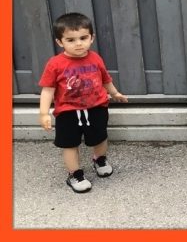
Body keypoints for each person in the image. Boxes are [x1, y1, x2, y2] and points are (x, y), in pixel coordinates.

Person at [39, 12, 128, 193]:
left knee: (100, 137)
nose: (78, 43)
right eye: (70, 40)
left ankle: (99, 159)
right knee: (69, 144)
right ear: (59, 42)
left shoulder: (95, 58)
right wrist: (43, 113)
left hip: (97, 107)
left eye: (83, 38)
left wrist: (115, 92)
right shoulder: (55, 64)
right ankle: (75, 174)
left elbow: (105, 79)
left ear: (91, 38)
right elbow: (48, 89)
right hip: (67, 112)